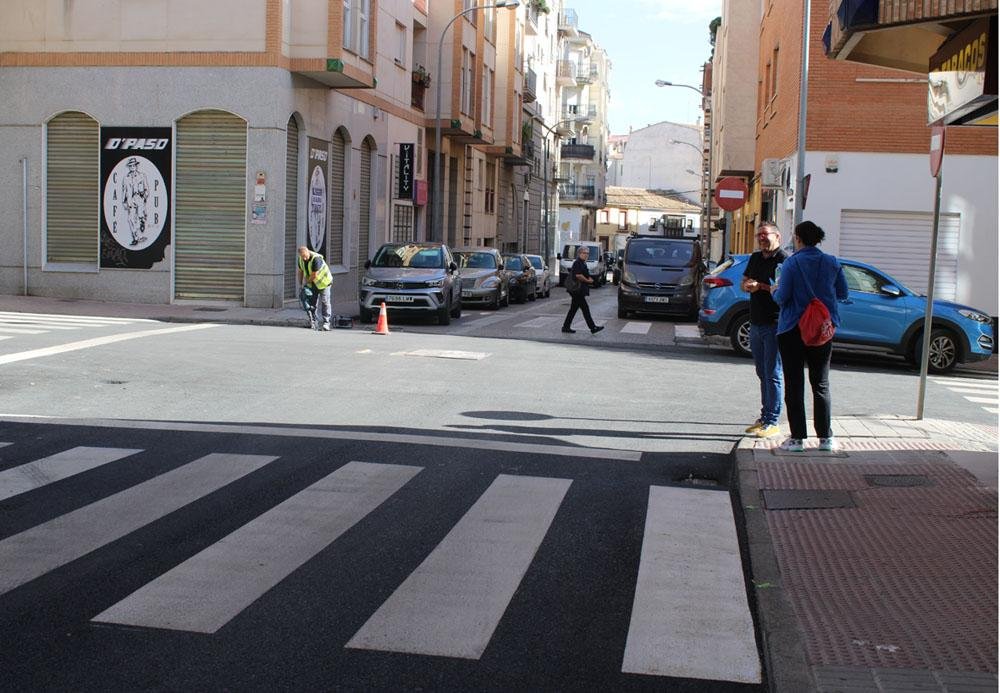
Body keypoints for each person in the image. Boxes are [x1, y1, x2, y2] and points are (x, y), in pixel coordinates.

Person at [773, 221, 849, 452]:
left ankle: (797, 438)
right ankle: (826, 438)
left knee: (794, 383)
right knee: (821, 383)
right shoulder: (832, 262)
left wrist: (775, 289)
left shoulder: (791, 264)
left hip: (793, 328)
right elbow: (843, 292)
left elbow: (782, 297)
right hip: (821, 330)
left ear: (798, 238)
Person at [741, 223, 786, 439]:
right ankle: (764, 416)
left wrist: (762, 287)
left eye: (765, 235)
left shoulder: (784, 260)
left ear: (777, 236)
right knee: (761, 372)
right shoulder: (756, 258)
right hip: (756, 323)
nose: (761, 238)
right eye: (759, 235)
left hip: (775, 323)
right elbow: (744, 282)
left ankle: (773, 420)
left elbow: (783, 290)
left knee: (773, 373)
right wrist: (748, 285)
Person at [561, 246, 604, 335]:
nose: (586, 255)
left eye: (587, 253)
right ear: (579, 253)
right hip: (577, 290)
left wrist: (590, 278)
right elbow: (578, 275)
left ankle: (566, 326)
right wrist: (588, 280)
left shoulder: (583, 263)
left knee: (573, 309)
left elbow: (583, 274)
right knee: (585, 309)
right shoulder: (577, 263)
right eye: (584, 253)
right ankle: (593, 327)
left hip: (579, 290)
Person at [297, 246, 333, 330]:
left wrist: (306, 284)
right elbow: (300, 271)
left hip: (324, 283)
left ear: (308, 252)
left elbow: (314, 275)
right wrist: (300, 284)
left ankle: (326, 322)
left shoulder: (316, 259)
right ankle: (313, 322)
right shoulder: (300, 259)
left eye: (305, 256)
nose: (304, 258)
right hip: (312, 284)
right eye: (302, 257)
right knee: (312, 303)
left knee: (325, 302)